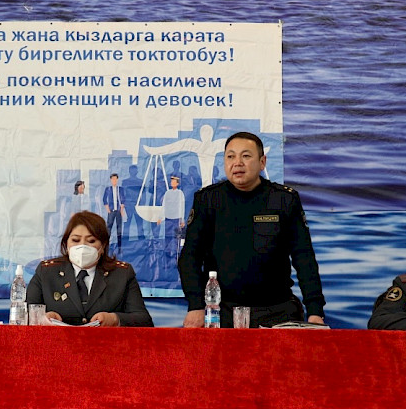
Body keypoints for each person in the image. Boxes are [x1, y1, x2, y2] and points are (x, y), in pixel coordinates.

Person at [177, 131, 325, 328]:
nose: (237, 163)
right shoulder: (208, 200)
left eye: (246, 156)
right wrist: (195, 305)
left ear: (262, 162)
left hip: (277, 311)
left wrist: (315, 311)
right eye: (230, 157)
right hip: (222, 312)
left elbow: (304, 258)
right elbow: (190, 258)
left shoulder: (284, 199)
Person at [26, 210, 153, 327]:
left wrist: (114, 319)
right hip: (58, 342)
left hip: (106, 343)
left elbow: (144, 320)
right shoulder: (46, 272)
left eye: (91, 241)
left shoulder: (122, 274)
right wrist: (43, 318)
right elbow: (24, 316)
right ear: (66, 244)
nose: (82, 246)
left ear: (103, 246)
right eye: (75, 240)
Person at [103, 173, 125, 251]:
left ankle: (119, 246)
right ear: (110, 180)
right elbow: (104, 199)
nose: (114, 180)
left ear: (117, 180)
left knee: (119, 228)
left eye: (115, 179)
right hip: (111, 211)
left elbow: (123, 200)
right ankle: (106, 245)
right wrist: (108, 209)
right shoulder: (108, 189)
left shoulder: (120, 189)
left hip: (118, 211)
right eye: (113, 179)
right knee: (109, 227)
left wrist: (121, 209)